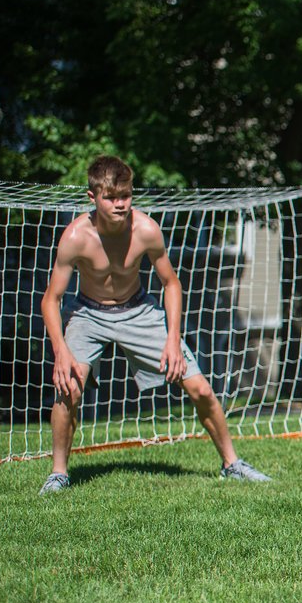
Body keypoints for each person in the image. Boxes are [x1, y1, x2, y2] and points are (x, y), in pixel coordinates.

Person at [38, 155, 271, 494]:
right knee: (68, 387)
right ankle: (58, 473)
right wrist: (60, 351)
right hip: (88, 313)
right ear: (93, 198)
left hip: (139, 311)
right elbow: (51, 298)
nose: (120, 204)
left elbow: (171, 283)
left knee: (200, 388)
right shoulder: (75, 237)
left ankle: (232, 464)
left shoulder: (146, 230)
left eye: (126, 196)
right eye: (110, 197)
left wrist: (173, 340)